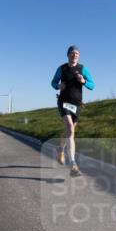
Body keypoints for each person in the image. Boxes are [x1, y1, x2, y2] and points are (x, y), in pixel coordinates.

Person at [50, 45, 94, 177]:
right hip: (63, 102)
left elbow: (92, 85)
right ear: (68, 55)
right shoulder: (61, 68)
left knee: (69, 131)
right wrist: (58, 86)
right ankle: (73, 164)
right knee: (70, 129)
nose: (75, 55)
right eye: (72, 53)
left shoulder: (82, 69)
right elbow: (53, 82)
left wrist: (84, 80)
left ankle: (61, 149)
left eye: (77, 53)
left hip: (77, 105)